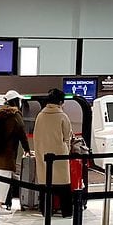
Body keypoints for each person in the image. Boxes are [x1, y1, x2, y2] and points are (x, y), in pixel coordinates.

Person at [32, 88, 73, 218]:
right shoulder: (62, 116)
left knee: (45, 184)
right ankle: (66, 212)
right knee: (63, 185)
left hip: (43, 154)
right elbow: (67, 136)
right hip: (60, 155)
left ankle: (45, 210)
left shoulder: (40, 115)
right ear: (60, 102)